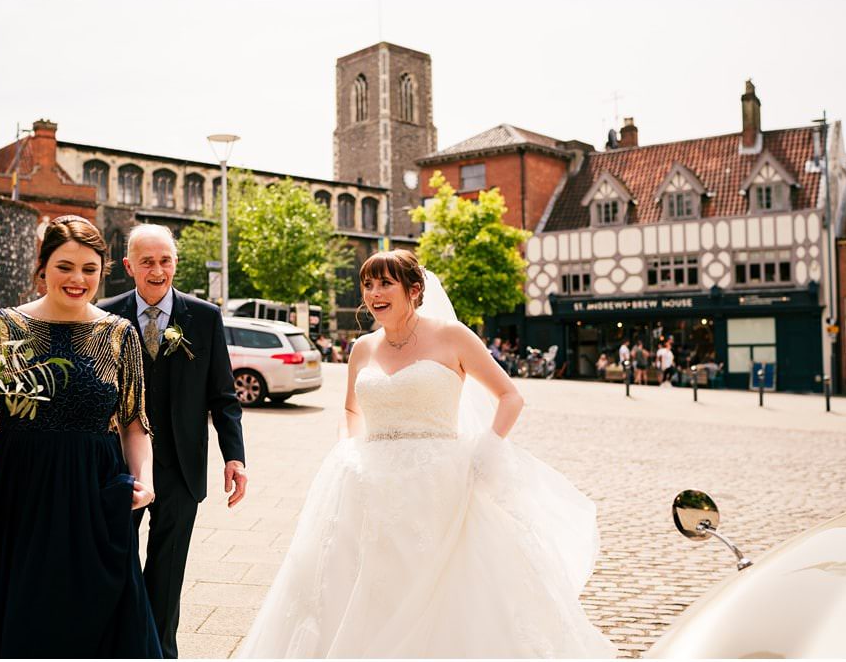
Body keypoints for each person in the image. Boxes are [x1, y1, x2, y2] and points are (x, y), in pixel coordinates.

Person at [238, 250, 616, 658]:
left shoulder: (452, 336)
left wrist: (486, 451)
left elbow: (510, 396)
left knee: (445, 589)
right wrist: (349, 449)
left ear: (414, 290)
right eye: (368, 285)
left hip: (440, 484)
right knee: (351, 583)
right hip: (367, 483)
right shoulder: (362, 349)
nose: (374, 294)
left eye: (385, 284)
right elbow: (351, 410)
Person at [0, 215, 162, 657]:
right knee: (25, 616)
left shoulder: (118, 334)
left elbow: (134, 423)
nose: (78, 279)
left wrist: (145, 481)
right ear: (42, 268)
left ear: (103, 271)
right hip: (19, 495)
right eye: (65, 267)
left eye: (89, 269)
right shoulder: (3, 329)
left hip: (94, 496)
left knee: (107, 616)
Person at [99, 224, 247, 659]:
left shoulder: (204, 317)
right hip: (118, 465)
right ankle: (116, 644)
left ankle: (160, 651)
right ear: (129, 266)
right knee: (114, 563)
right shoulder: (103, 316)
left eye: (165, 260)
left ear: (175, 263)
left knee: (167, 573)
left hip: (182, 467)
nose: (157, 269)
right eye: (147, 261)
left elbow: (223, 396)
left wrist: (234, 457)